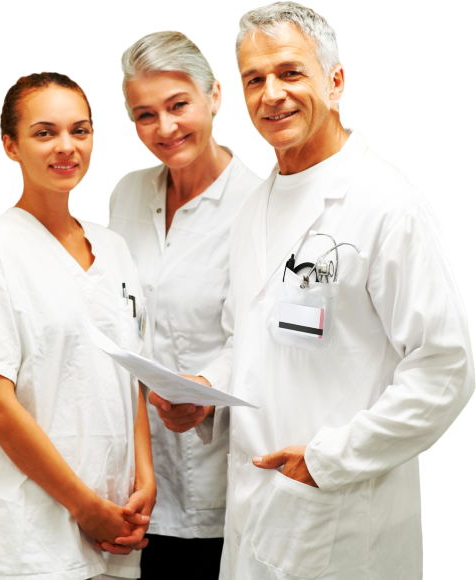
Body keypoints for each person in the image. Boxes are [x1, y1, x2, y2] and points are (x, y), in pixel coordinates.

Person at [148, 2, 474, 579]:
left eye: (290, 72)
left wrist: (329, 460)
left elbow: (444, 371)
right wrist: (205, 390)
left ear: (335, 79)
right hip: (256, 509)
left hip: (340, 519)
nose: (272, 94)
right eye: (255, 79)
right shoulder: (255, 207)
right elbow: (244, 342)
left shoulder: (386, 204)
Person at [0, 72, 156, 580]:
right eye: (44, 132)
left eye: (80, 131)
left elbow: (132, 375)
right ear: (10, 144)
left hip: (117, 518)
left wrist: (146, 476)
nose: (66, 147)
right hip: (28, 539)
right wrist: (84, 507)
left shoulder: (114, 249)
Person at [107, 30, 263, 579]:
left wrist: (203, 390)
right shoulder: (126, 194)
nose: (165, 129)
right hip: (132, 473)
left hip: (215, 469)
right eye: (145, 115)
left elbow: (258, 335)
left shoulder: (259, 205)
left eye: (178, 105)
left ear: (214, 96)